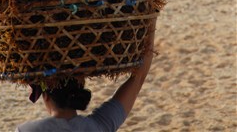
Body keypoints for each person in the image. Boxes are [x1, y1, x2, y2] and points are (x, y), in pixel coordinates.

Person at [15, 19, 157, 132]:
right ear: (80, 87)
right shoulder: (100, 126)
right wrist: (151, 19)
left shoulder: (26, 130)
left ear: (45, 96)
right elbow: (138, 78)